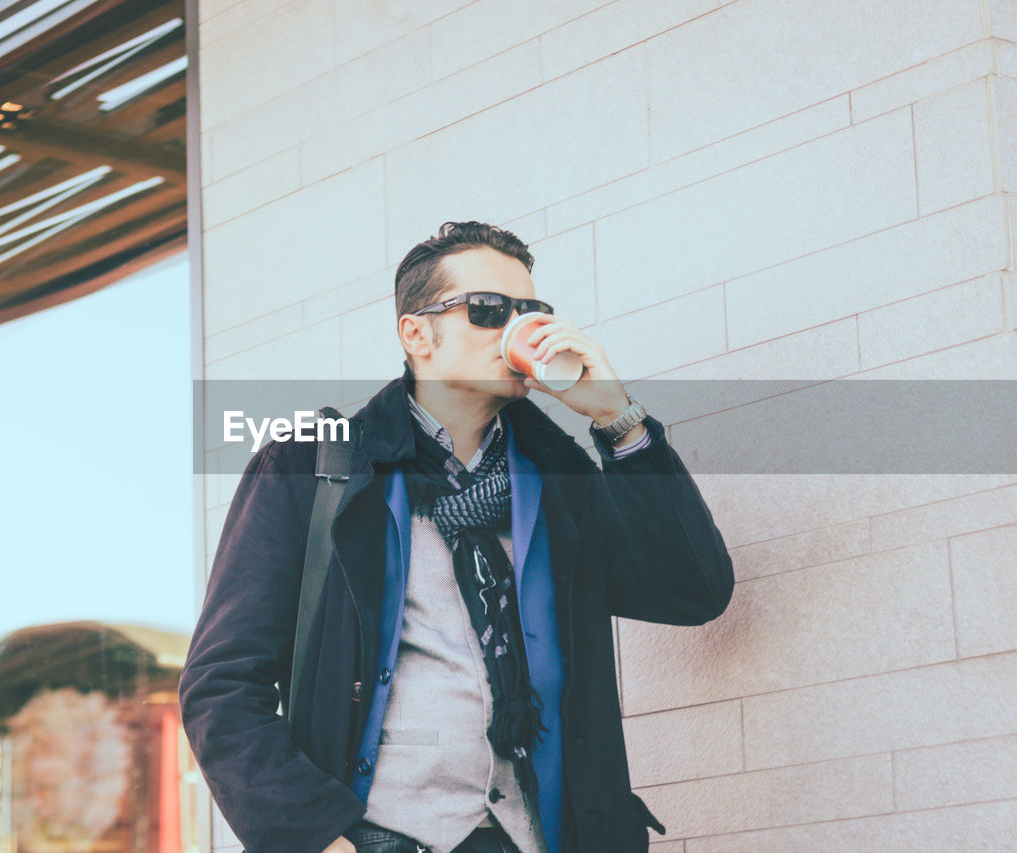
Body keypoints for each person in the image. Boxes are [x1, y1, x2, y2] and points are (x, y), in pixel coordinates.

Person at [178, 221, 735, 853]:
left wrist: (617, 420)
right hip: (384, 836)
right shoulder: (314, 466)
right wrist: (316, 840)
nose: (519, 328)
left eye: (533, 312)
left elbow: (692, 591)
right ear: (417, 333)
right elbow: (221, 684)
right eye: (490, 311)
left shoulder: (558, 478)